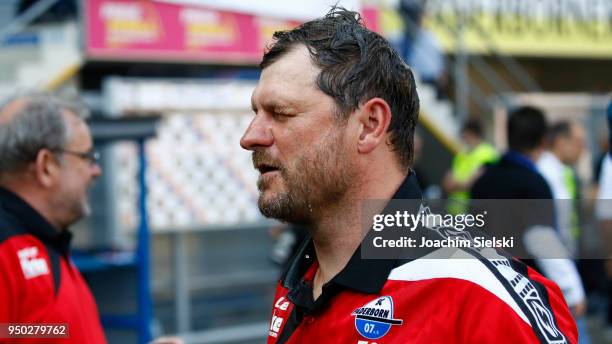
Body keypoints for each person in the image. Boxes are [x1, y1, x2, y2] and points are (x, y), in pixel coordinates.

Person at [241, 8, 577, 343]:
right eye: (257, 112)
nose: (250, 137)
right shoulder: (300, 279)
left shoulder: (477, 297)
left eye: (281, 113)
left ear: (370, 126)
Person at [0, 93, 106, 343]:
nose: (96, 170)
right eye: (87, 157)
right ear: (46, 166)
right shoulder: (7, 250)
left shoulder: (47, 244)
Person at [471, 106, 586, 319]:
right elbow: (541, 239)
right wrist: (571, 291)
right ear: (543, 141)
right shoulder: (535, 184)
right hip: (527, 292)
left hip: (486, 287)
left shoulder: (483, 180)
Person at [443, 119, 497, 214]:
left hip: (473, 212)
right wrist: (461, 184)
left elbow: (473, 184)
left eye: (465, 134)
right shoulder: (461, 155)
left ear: (472, 134)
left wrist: (456, 184)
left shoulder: (488, 153)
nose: (463, 138)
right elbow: (447, 184)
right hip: (454, 211)